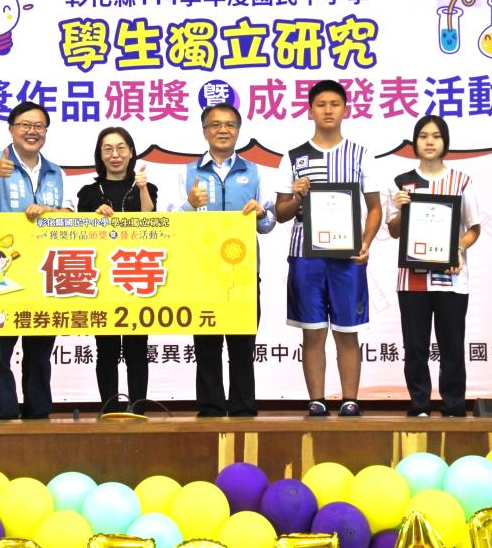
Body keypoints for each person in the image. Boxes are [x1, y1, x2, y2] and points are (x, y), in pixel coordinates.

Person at [276, 80, 382, 417]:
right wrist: (297, 196)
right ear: (310, 110)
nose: (328, 110)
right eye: (321, 104)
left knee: (348, 332)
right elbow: (280, 213)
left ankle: (350, 399)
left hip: (347, 256)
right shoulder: (293, 157)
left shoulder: (361, 154)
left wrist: (365, 243)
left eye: (335, 104)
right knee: (313, 332)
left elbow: (375, 207)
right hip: (305, 256)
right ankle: (317, 400)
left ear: (345, 109)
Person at [0, 101, 74, 419]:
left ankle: (38, 412)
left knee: (40, 348)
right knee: (0, 348)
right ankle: (2, 413)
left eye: (39, 126)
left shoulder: (56, 171)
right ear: (11, 129)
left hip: (45, 272)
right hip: (1, 273)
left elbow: (70, 213)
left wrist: (50, 211)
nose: (32, 131)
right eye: (25, 125)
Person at [176, 102, 275, 416]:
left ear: (238, 131)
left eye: (230, 125)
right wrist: (189, 205)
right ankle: (210, 408)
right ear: (205, 131)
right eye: (215, 125)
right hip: (202, 273)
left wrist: (261, 213)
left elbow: (268, 224)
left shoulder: (254, 171)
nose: (223, 130)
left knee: (243, 345)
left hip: (242, 272)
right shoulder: (186, 172)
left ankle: (243, 408)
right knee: (206, 346)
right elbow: (172, 224)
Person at [386, 115, 480, 417]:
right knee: (415, 346)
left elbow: (473, 228)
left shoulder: (461, 181)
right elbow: (394, 231)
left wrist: (457, 249)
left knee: (452, 344)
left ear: (445, 142)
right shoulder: (401, 183)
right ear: (415, 142)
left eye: (436, 136)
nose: (429, 141)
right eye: (423, 136)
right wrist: (400, 209)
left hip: (452, 278)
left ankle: (453, 404)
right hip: (412, 279)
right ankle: (420, 404)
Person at [76, 127, 157, 413]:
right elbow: (78, 235)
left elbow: (151, 220)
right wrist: (94, 215)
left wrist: (143, 188)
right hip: (102, 280)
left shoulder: (146, 187)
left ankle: (139, 408)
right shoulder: (88, 193)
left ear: (131, 152)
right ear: (100, 155)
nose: (115, 154)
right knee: (106, 350)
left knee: (137, 348)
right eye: (108, 149)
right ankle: (109, 409)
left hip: (138, 275)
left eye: (121, 148)